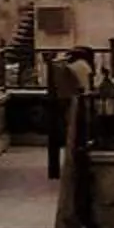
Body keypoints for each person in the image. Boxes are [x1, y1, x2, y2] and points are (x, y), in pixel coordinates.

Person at [43, 47, 87, 182]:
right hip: (69, 102)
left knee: (65, 138)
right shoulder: (75, 68)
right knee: (73, 137)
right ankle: (64, 168)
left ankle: (57, 170)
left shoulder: (64, 67)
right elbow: (81, 87)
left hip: (63, 101)